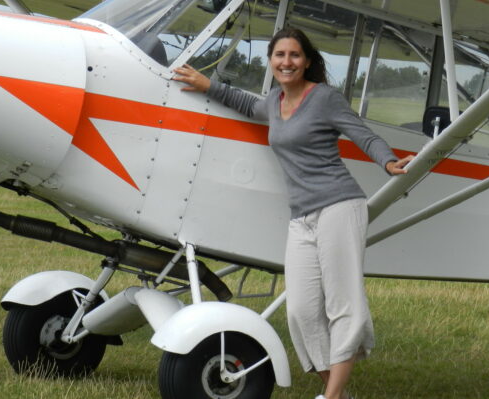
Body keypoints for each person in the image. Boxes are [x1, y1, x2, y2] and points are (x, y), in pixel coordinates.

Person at [173, 27, 413, 399]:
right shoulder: (273, 101)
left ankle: (331, 396)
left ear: (307, 61)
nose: (287, 62)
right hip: (301, 217)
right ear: (271, 62)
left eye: (295, 55)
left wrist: (389, 162)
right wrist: (209, 86)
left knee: (342, 304)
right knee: (301, 313)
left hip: (339, 206)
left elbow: (362, 134)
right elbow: (243, 102)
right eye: (280, 55)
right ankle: (338, 395)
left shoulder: (325, 99)